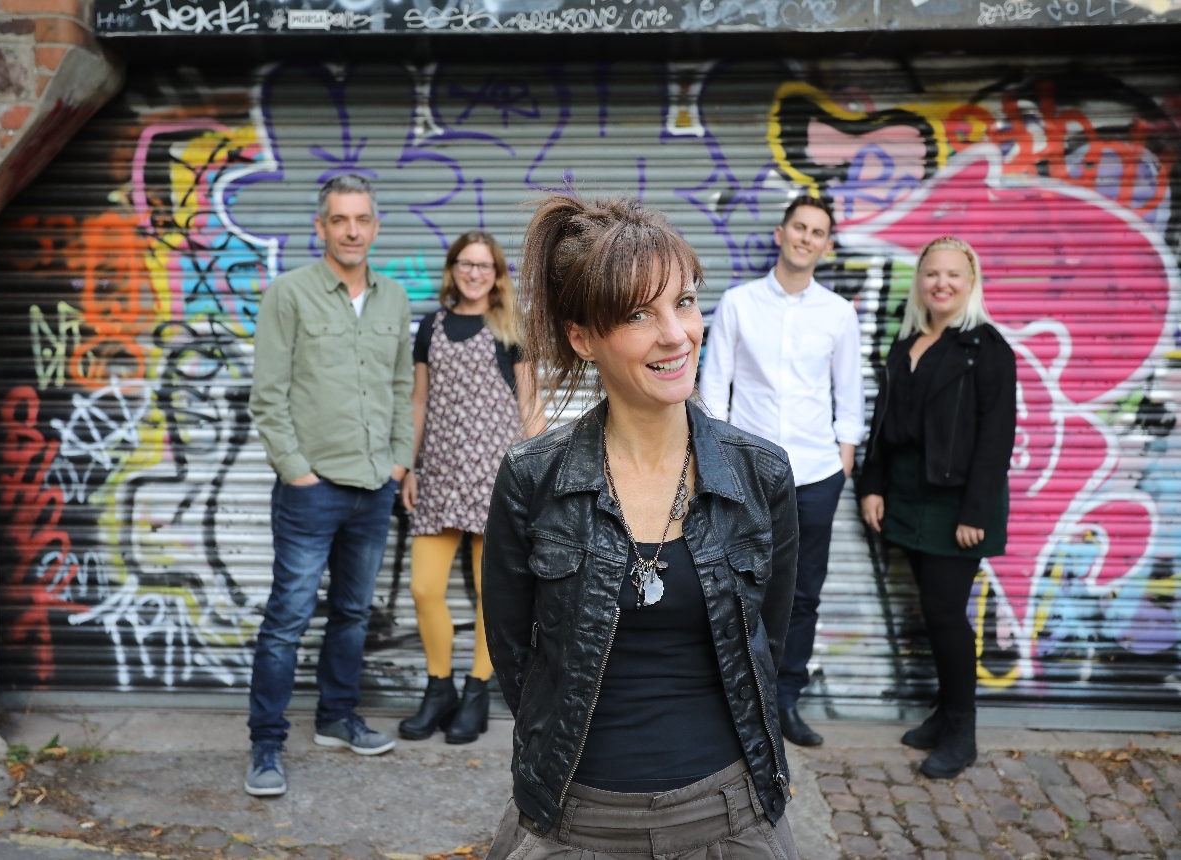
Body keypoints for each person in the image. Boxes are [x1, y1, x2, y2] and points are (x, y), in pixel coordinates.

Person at [482, 192, 800, 860]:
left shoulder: (759, 476)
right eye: (637, 313)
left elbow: (770, 630)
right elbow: (518, 660)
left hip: (729, 815)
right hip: (576, 822)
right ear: (581, 337)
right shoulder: (531, 479)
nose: (676, 334)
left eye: (684, 301)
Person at [244, 174, 413, 796]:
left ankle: (338, 718)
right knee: (287, 618)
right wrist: (298, 471)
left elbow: (400, 387)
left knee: (350, 614)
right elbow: (268, 395)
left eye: (361, 219)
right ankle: (266, 744)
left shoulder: (394, 298)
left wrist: (399, 462)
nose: (351, 230)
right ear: (321, 228)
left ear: (374, 225)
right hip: (311, 489)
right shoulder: (288, 294)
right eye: (339, 220)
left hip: (374, 487)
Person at [699, 195, 863, 748]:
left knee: (804, 594)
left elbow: (850, 393)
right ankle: (738, 696)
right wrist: (717, 461)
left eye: (818, 232)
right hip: (746, 475)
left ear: (826, 245)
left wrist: (843, 460)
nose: (806, 238)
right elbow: (714, 388)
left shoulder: (838, 314)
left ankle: (785, 699)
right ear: (781, 232)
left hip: (817, 475)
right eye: (800, 227)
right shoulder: (740, 303)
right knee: (737, 583)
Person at [857, 236, 1016, 779]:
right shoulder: (907, 343)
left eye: (953, 274)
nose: (941, 283)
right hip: (908, 496)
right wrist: (871, 485)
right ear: (919, 282)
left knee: (947, 615)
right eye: (931, 274)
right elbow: (885, 426)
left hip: (957, 507)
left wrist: (975, 512)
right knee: (931, 610)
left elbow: (997, 437)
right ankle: (942, 714)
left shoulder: (987, 347)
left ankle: (962, 732)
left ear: (970, 283)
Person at [397, 231, 546, 745]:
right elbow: (419, 401)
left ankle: (478, 689)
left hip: (495, 479)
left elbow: (531, 408)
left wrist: (538, 476)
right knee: (424, 588)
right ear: (453, 268)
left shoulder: (510, 328)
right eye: (466, 263)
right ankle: (438, 687)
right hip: (438, 474)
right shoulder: (430, 326)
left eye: (484, 265)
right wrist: (409, 466)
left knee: (493, 593)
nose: (474, 272)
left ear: (497, 272)